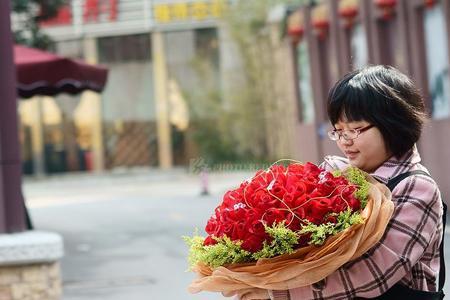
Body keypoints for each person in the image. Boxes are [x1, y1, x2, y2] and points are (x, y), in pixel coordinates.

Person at [237, 65, 445, 300]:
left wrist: (277, 293)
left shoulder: (416, 187)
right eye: (338, 131)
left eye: (355, 130)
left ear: (393, 124)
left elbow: (373, 273)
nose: (345, 141)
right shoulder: (336, 172)